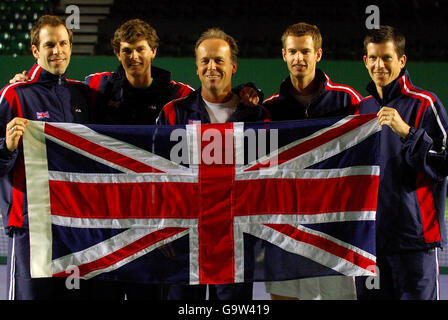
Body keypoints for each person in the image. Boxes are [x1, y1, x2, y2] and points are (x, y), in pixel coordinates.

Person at [157, 28, 269, 300]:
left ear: (233, 66)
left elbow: (265, 176)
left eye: (219, 60)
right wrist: (161, 225)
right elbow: (159, 173)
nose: (211, 67)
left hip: (235, 239)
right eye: (205, 60)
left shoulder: (256, 115)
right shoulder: (174, 112)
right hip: (185, 236)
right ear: (196, 68)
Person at [262, 22, 362, 300]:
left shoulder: (347, 101)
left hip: (335, 227)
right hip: (286, 226)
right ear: (284, 54)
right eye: (292, 51)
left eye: (305, 51)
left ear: (318, 54)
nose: (299, 58)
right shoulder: (269, 109)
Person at [0, 15, 94, 300]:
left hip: (75, 225)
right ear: (35, 50)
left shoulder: (83, 95)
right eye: (49, 44)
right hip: (32, 226)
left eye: (63, 43)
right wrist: (6, 145)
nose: (58, 51)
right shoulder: (14, 95)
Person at [357, 25, 448, 300]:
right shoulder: (364, 108)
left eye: (386, 57)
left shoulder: (425, 103)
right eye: (372, 58)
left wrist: (407, 132)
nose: (379, 65)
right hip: (372, 241)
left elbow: (445, 162)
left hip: (415, 242)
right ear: (365, 61)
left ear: (401, 60)